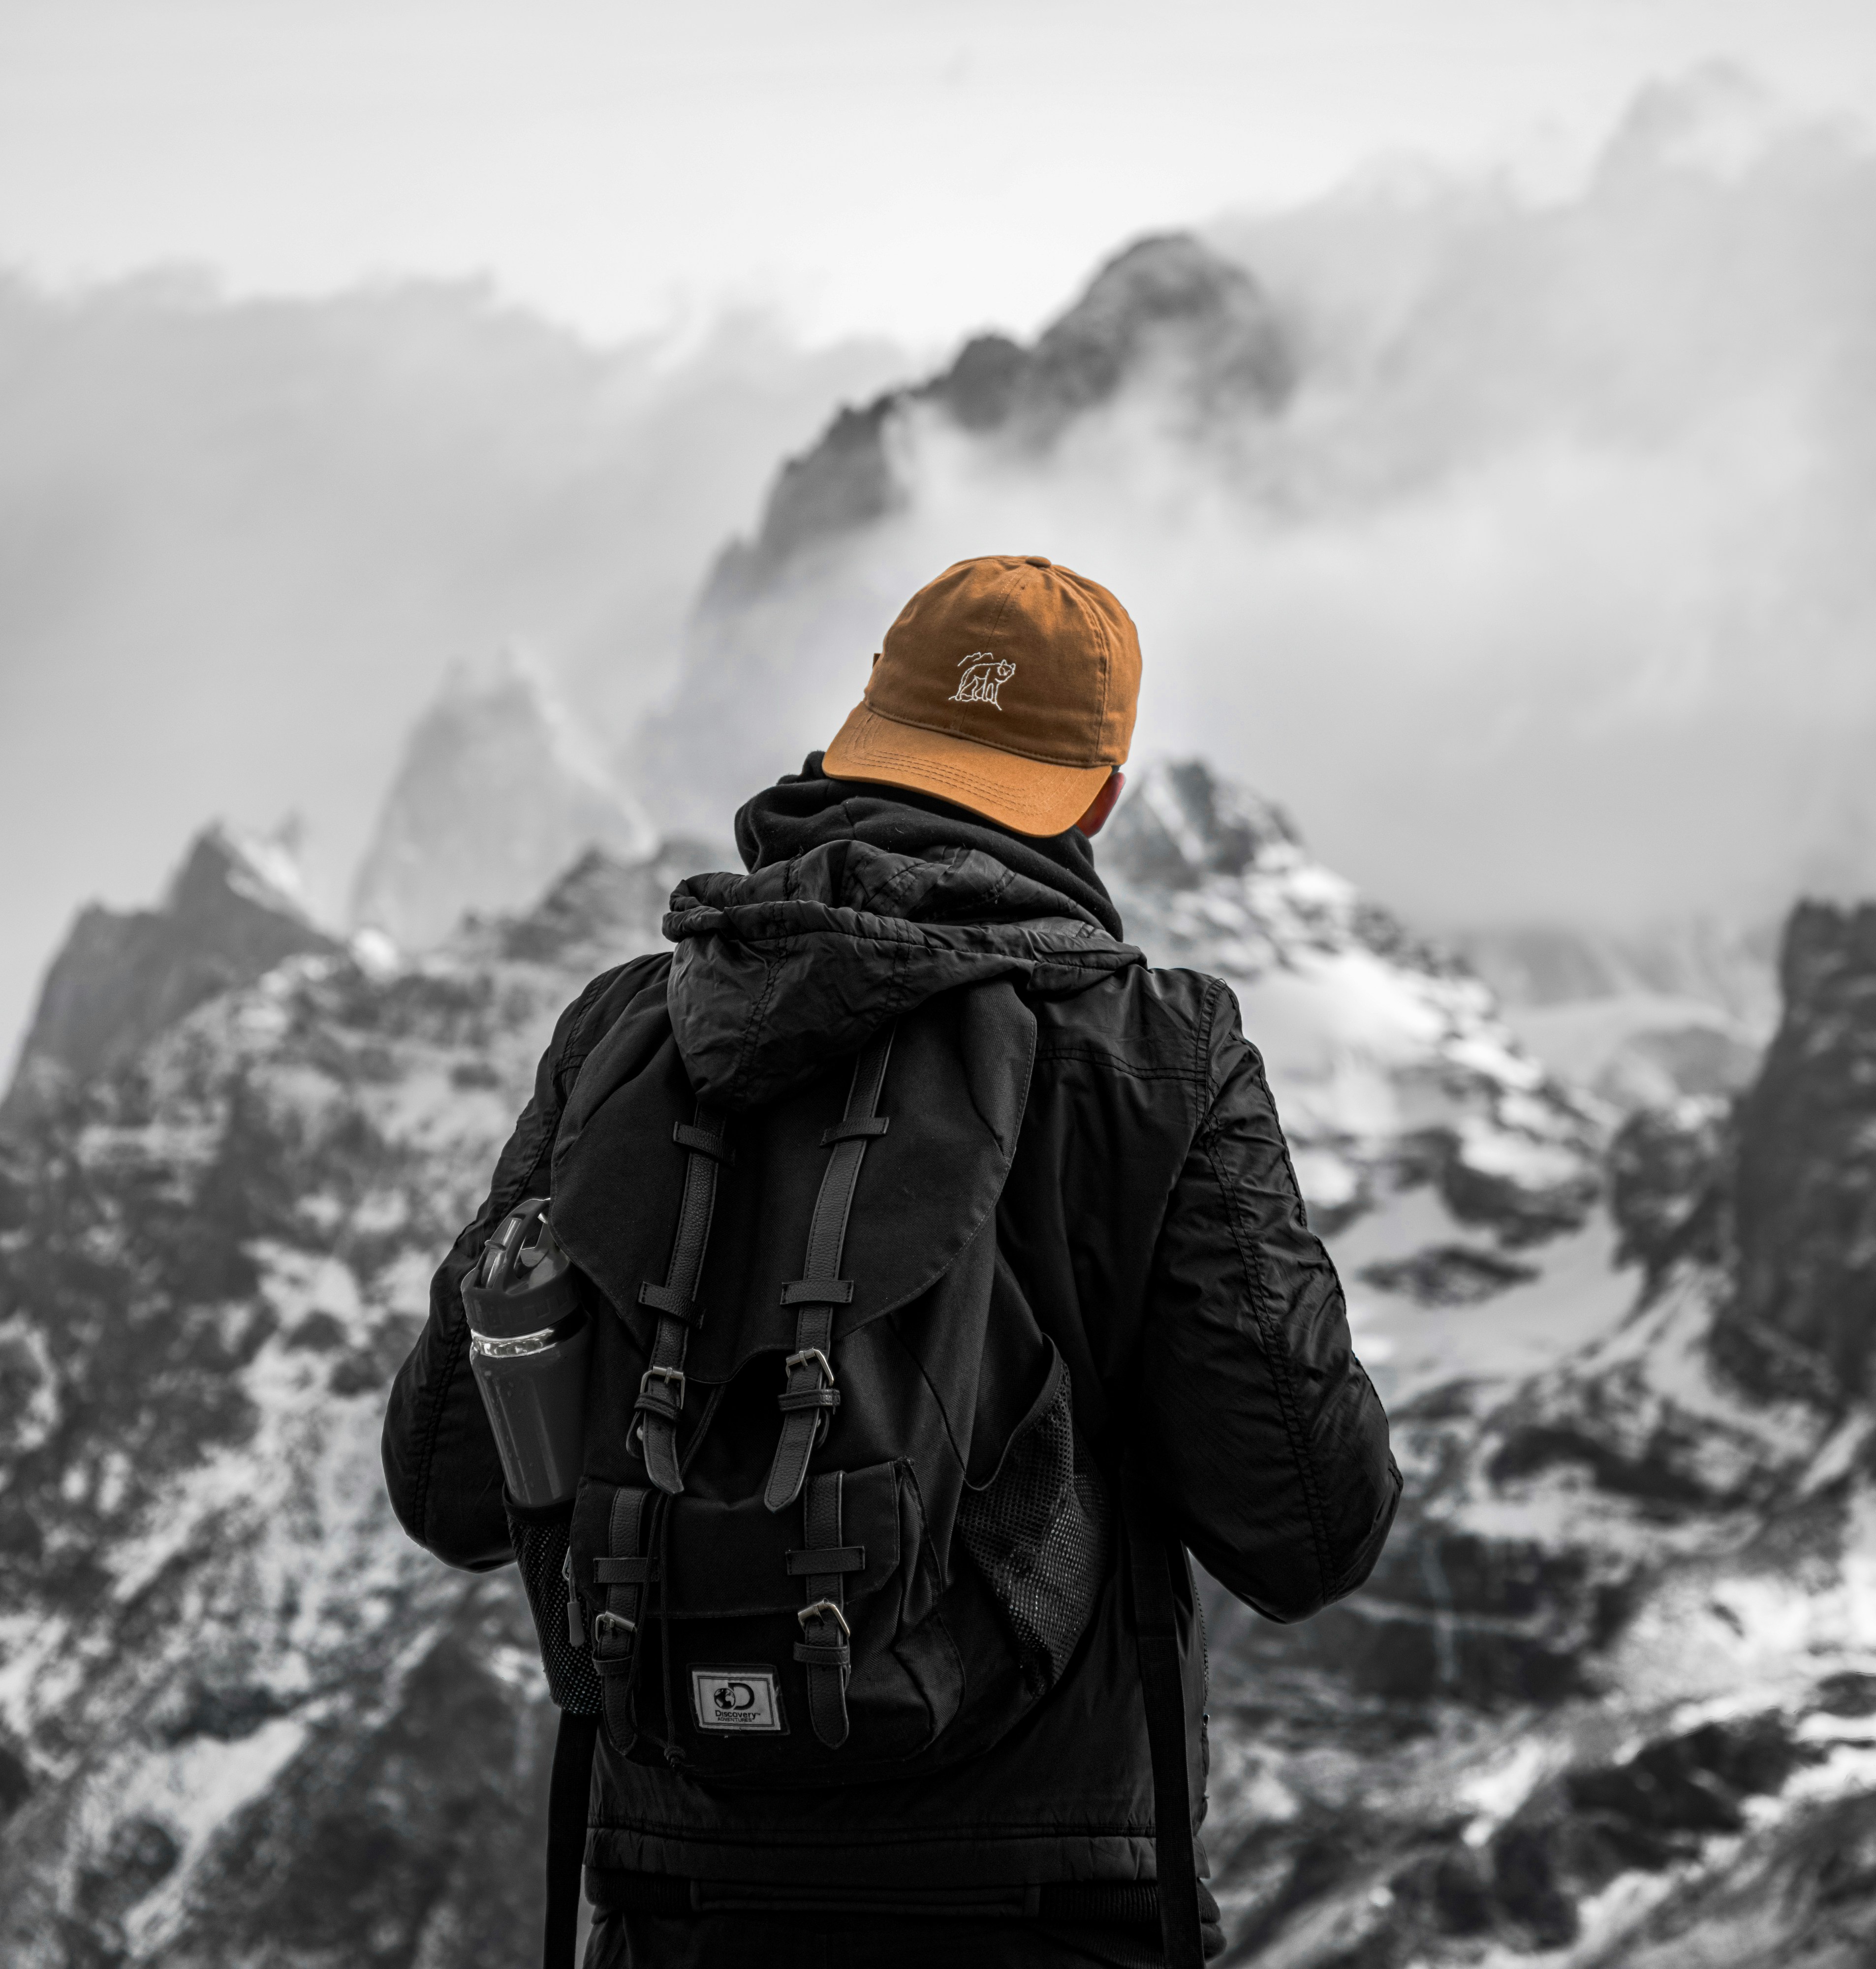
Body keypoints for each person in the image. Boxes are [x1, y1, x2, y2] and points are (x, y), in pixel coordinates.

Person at [385, 553, 1400, 1968]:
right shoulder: (1155, 1052)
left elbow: (451, 1488)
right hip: (1042, 1915)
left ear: (860, 730)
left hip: (682, 1913)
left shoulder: (629, 1028)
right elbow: (1309, 1525)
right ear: (1099, 795)